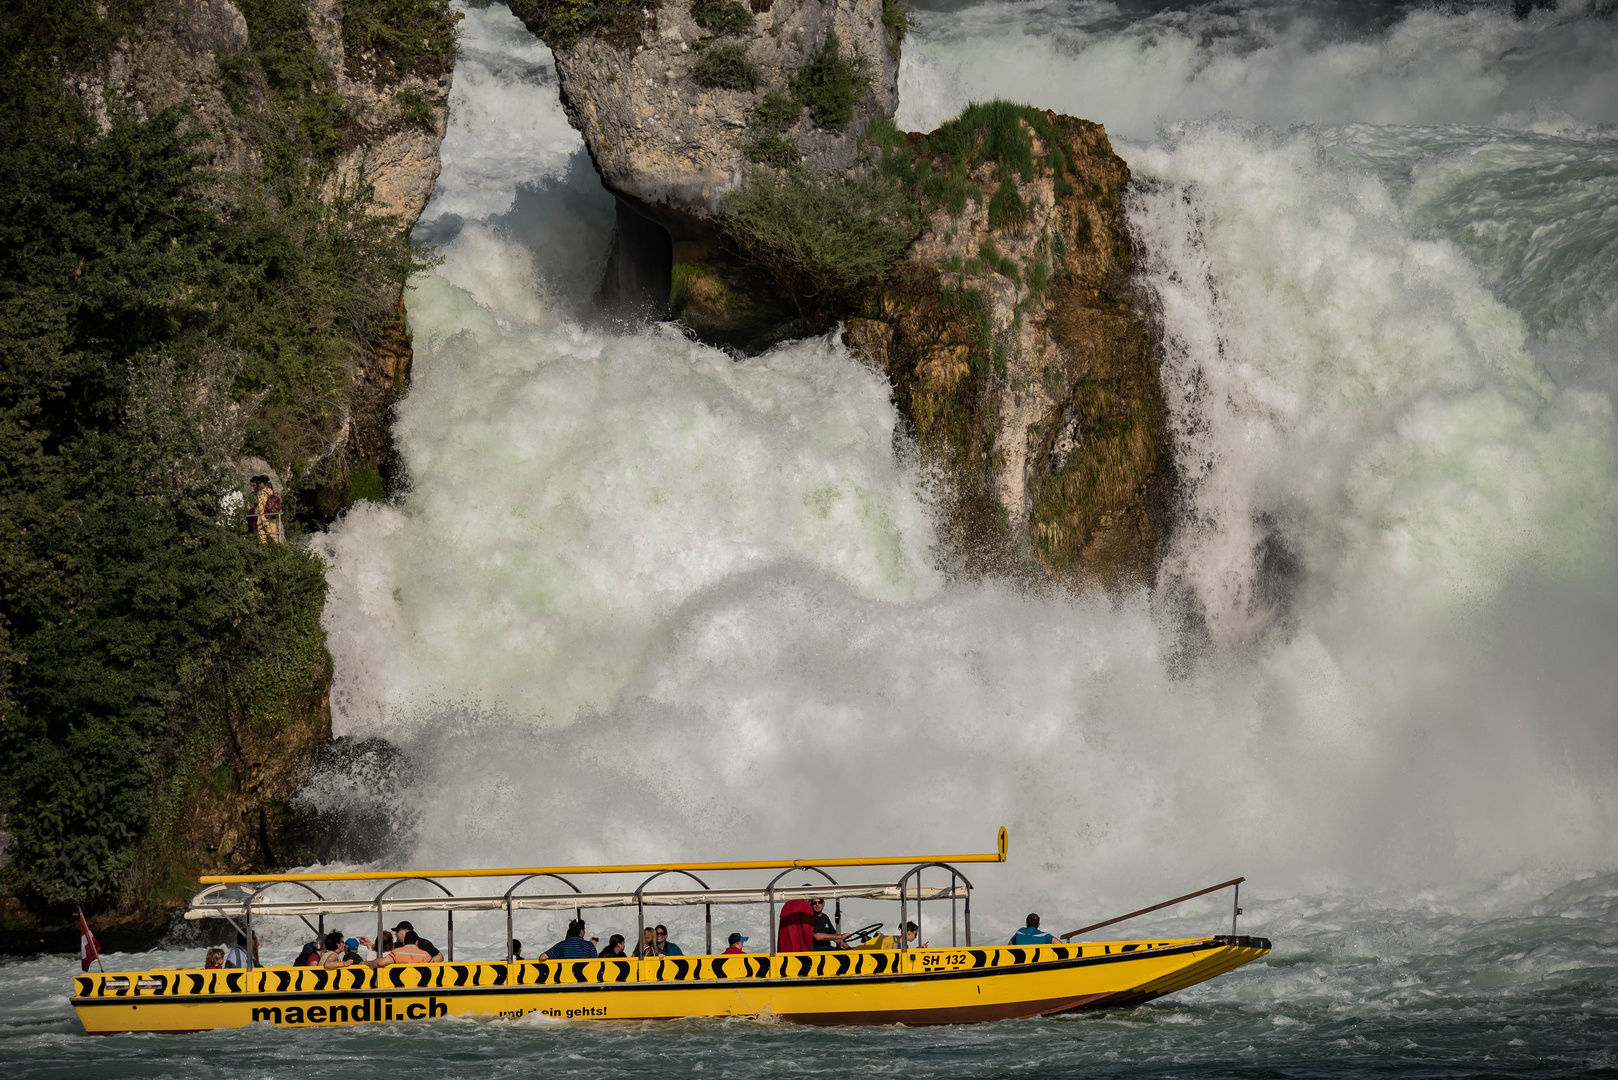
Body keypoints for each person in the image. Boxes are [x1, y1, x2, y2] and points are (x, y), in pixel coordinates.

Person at [250, 475, 282, 544]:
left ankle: (266, 552)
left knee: (263, 538)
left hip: (263, 518)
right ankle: (278, 550)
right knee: (273, 537)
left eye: (258, 483)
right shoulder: (271, 491)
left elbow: (260, 507)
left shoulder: (261, 493)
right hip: (272, 517)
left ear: (262, 483)